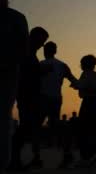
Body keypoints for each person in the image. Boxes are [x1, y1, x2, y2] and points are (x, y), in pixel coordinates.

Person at [9, 27, 49, 170]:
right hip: (27, 96)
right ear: (35, 37)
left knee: (26, 127)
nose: (42, 44)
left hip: (29, 95)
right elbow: (25, 73)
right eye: (42, 41)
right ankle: (14, 161)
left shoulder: (29, 53)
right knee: (25, 127)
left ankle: (15, 160)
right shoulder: (26, 53)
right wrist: (41, 71)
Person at [0, 0, 29, 173]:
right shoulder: (17, 18)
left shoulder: (16, 18)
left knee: (2, 121)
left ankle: (3, 164)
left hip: (7, 77)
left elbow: (22, 52)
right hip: (8, 77)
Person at [39, 42, 78, 148]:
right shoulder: (62, 65)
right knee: (54, 123)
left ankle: (37, 154)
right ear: (55, 51)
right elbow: (73, 79)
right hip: (56, 98)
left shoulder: (41, 64)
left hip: (43, 98)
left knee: (37, 124)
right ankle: (65, 149)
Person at [73, 54, 96, 167]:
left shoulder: (85, 74)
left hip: (89, 103)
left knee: (84, 129)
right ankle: (95, 154)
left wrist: (80, 86)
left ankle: (86, 157)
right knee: (95, 129)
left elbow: (82, 91)